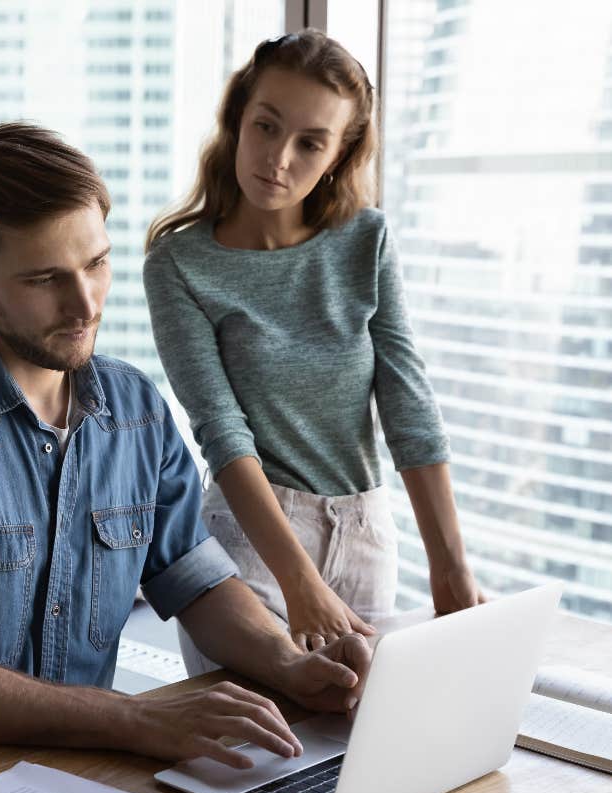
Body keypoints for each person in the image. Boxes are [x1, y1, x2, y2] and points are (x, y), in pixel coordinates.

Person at [0, 122, 371, 793]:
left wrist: (288, 663)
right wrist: (135, 719)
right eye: (46, 278)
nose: (85, 305)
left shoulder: (135, 406)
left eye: (97, 264)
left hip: (72, 789)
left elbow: (198, 580)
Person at [143, 31, 484, 675]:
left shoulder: (365, 241)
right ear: (238, 118)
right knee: (251, 756)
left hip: (366, 536)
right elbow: (221, 431)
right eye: (265, 127)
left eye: (309, 143)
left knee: (358, 756)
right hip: (251, 543)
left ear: (339, 154)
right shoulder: (180, 264)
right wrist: (300, 584)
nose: (278, 158)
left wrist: (451, 568)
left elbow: (408, 406)